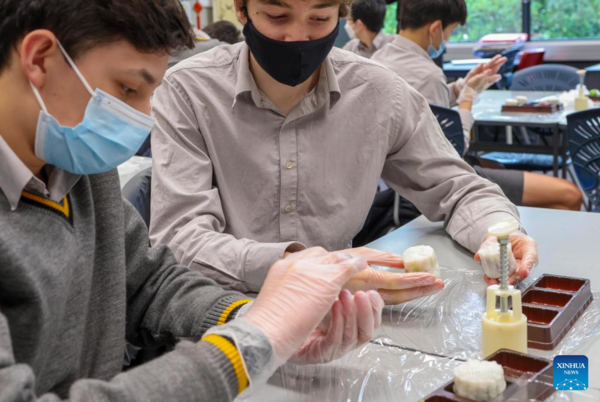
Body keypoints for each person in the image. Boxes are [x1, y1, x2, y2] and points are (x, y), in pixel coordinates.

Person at [0, 0, 387, 400]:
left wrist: (254, 316)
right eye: (127, 89)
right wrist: (248, 344)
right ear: (40, 58)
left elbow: (148, 283)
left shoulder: (77, 166)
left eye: (150, 93)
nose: (142, 117)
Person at [149, 0, 540, 297]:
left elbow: (457, 188)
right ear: (241, 9)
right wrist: (304, 267)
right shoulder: (188, 91)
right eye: (277, 16)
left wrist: (498, 232)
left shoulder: (380, 93)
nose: (298, 37)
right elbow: (180, 238)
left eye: (319, 19)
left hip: (343, 308)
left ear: (341, 13)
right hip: (223, 312)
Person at [371, 0, 583, 211]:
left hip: (397, 184)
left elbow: (422, 101)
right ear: (435, 28)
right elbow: (453, 150)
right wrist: (467, 99)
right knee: (569, 194)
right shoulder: (428, 74)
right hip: (438, 187)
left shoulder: (379, 59)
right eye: (451, 31)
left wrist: (464, 85)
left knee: (495, 165)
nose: (447, 39)